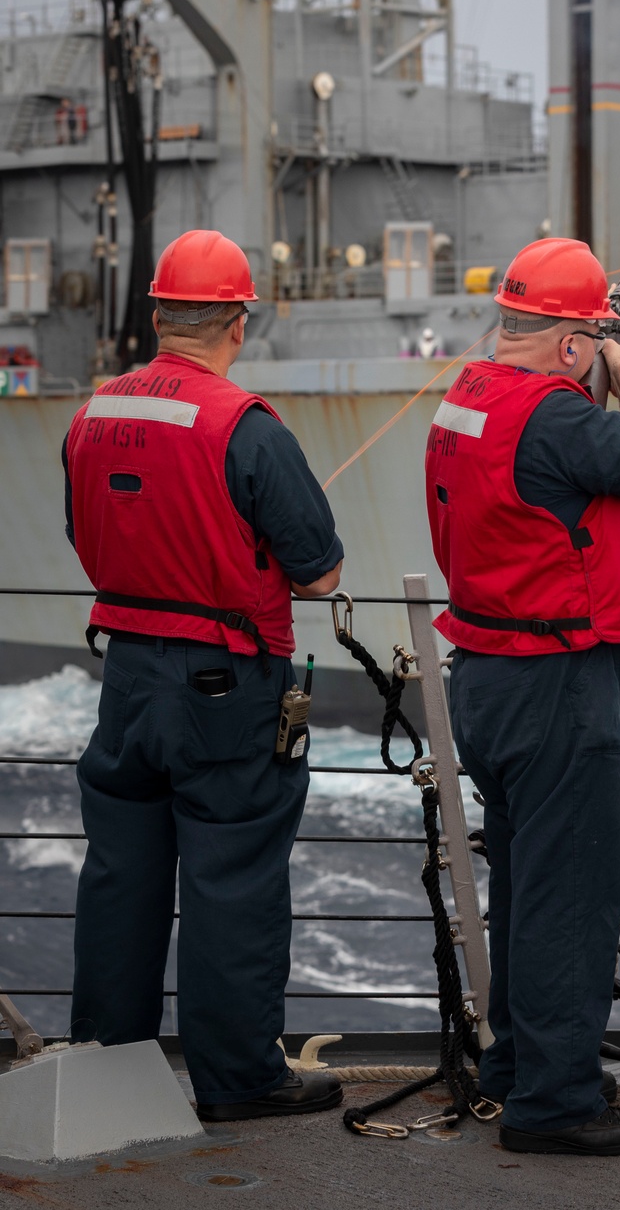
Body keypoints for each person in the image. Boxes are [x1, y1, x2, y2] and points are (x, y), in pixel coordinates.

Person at [62, 230, 345, 1123]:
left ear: (154, 314)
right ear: (237, 319)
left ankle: (110, 1069)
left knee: (121, 874)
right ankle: (238, 1081)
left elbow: (83, 535)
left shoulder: (93, 412)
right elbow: (320, 572)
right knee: (232, 880)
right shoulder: (243, 424)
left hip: (126, 676)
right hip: (225, 686)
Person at [424, 237, 620, 1156]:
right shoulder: (565, 413)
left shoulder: (470, 394)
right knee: (569, 898)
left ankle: (519, 1068)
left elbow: (553, 455)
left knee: (525, 887)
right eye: (590, 342)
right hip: (559, 679)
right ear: (573, 344)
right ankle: (557, 1104)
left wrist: (596, 359)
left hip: (485, 675)